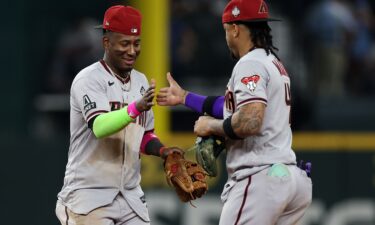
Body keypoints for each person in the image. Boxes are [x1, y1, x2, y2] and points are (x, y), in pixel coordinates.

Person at [156, 0, 312, 224]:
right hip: (288, 178)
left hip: (260, 178)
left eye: (226, 30)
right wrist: (184, 98)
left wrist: (210, 126)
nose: (227, 36)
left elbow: (250, 120)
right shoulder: (272, 62)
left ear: (235, 28)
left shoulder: (250, 64)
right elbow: (232, 107)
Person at [56, 5, 180, 225]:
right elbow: (100, 126)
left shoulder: (141, 82)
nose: (132, 50)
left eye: (136, 43)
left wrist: (163, 151)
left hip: (129, 195)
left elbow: (143, 136)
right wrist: (135, 108)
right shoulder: (89, 79)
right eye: (124, 43)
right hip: (89, 195)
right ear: (106, 43)